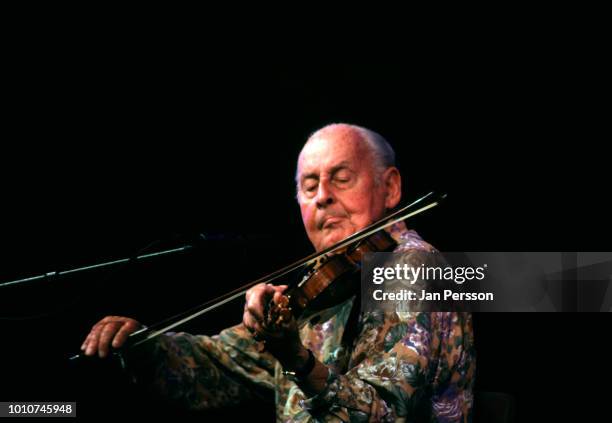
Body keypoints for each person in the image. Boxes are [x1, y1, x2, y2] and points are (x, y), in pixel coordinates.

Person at [80, 123, 476, 422]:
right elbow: (218, 366)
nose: (323, 196)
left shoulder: (417, 269)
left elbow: (383, 413)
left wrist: (297, 360)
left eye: (341, 179)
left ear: (389, 188)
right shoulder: (322, 284)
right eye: (309, 186)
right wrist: (144, 346)